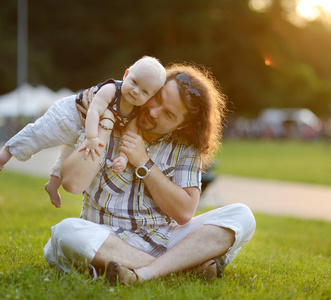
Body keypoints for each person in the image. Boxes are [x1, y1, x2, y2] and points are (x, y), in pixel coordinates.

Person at [43, 62, 256, 284]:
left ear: (182, 125)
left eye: (168, 114)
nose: (153, 112)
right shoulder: (108, 112)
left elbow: (184, 212)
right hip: (105, 237)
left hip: (163, 237)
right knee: (66, 232)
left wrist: (143, 162)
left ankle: (142, 273)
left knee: (242, 216)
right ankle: (180, 267)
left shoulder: (186, 146)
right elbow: (72, 183)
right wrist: (105, 125)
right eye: (159, 98)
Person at [0, 56, 166, 208]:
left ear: (150, 97)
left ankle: (53, 185)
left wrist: (123, 157)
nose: (136, 91)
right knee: (41, 133)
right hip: (70, 115)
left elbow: (129, 136)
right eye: (134, 82)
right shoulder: (112, 90)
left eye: (144, 91)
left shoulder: (135, 112)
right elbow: (93, 111)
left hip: (85, 130)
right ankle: (9, 149)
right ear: (126, 74)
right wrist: (91, 138)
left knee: (68, 158)